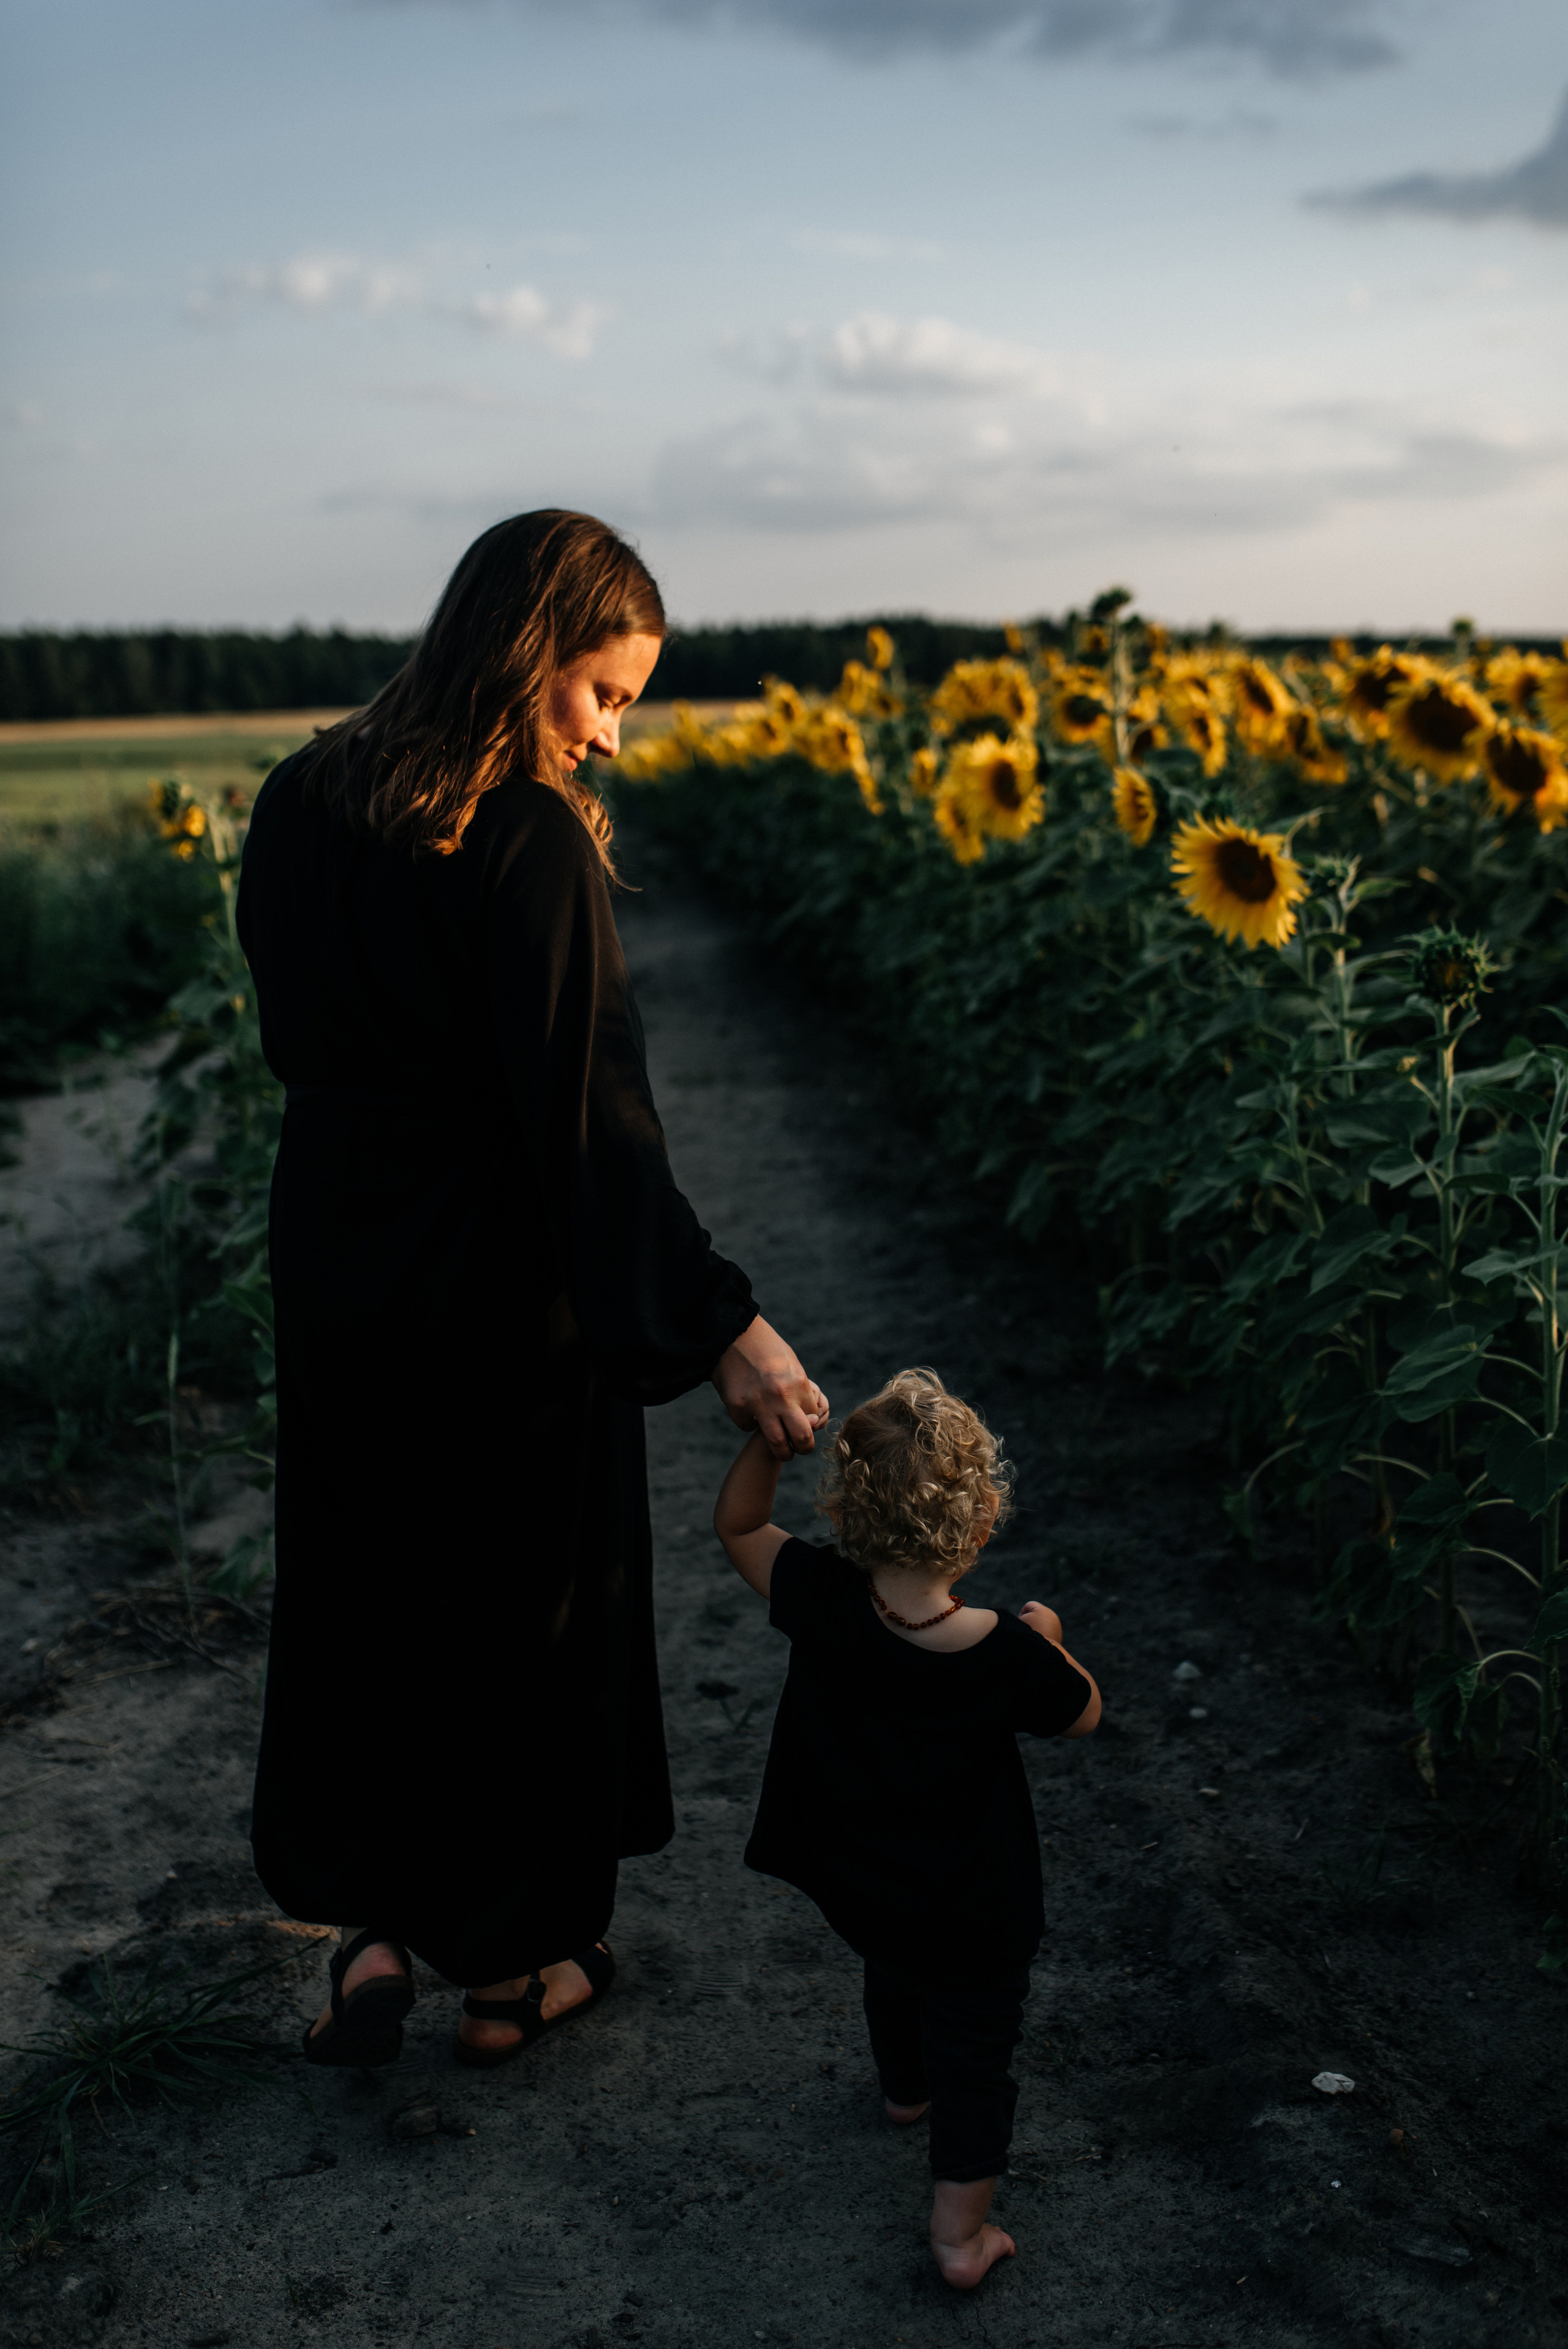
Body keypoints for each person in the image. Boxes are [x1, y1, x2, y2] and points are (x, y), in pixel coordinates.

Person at [236, 509, 826, 2070]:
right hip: (496, 1283)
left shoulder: (300, 798)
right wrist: (722, 1321)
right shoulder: (526, 838)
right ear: (523, 652)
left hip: (342, 1253)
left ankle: (366, 1933)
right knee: (518, 1609)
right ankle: (507, 1976)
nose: (612, 737)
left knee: (365, 1586)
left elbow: (291, 1036)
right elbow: (591, 1123)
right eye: (599, 694)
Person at [713, 1367, 1100, 2290]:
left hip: (865, 1877)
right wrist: (1046, 1632)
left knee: (892, 1968)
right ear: (976, 1528)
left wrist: (765, 1447)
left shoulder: (821, 1594)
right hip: (974, 1904)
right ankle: (960, 2237)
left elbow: (735, 1526)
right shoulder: (1006, 1653)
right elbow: (1083, 1711)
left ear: (848, 1514)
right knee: (978, 2051)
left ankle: (902, 2089)